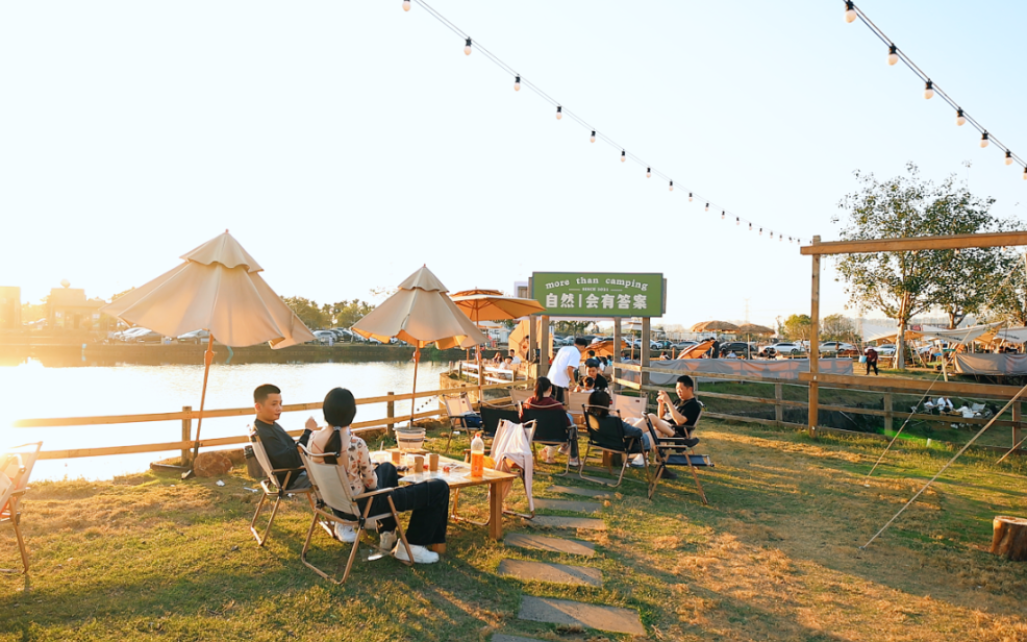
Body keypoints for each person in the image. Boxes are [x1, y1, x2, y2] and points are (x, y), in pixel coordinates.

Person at [310, 388, 449, 564]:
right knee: (439, 487)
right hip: (364, 506)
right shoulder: (355, 443)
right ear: (352, 414)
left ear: (325, 411)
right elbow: (371, 483)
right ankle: (412, 546)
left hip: (338, 506)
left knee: (387, 468)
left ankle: (387, 533)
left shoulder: (313, 439)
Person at [250, 383, 317, 490]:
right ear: (258, 407)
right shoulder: (264, 433)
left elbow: (291, 450)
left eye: (280, 404)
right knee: (336, 475)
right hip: (293, 478)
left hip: (296, 472)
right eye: (274, 404)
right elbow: (293, 460)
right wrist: (308, 432)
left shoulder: (269, 425)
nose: (279, 408)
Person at [586, 390, 654, 470]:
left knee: (653, 428)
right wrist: (629, 426)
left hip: (604, 442)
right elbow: (638, 433)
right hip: (627, 445)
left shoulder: (591, 418)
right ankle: (659, 461)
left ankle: (644, 459)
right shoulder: (613, 420)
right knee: (655, 432)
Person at [520, 376, 577, 465]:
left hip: (534, 435)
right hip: (554, 436)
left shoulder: (528, 402)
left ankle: (559, 450)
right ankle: (572, 457)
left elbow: (522, 419)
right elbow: (567, 425)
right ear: (550, 389)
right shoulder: (556, 405)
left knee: (568, 418)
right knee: (572, 424)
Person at [645, 375, 701, 445]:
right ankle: (638, 444)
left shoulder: (692, 405)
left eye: (681, 389)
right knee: (632, 421)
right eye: (677, 389)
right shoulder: (678, 401)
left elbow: (679, 421)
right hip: (663, 426)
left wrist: (668, 402)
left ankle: (636, 442)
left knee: (651, 417)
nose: (678, 391)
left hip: (673, 429)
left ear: (690, 389)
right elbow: (661, 417)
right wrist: (661, 403)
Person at [549, 337, 588, 403]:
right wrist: (573, 383)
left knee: (551, 400)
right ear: (583, 347)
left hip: (551, 376)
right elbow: (569, 368)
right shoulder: (576, 352)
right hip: (560, 380)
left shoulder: (564, 348)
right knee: (558, 402)